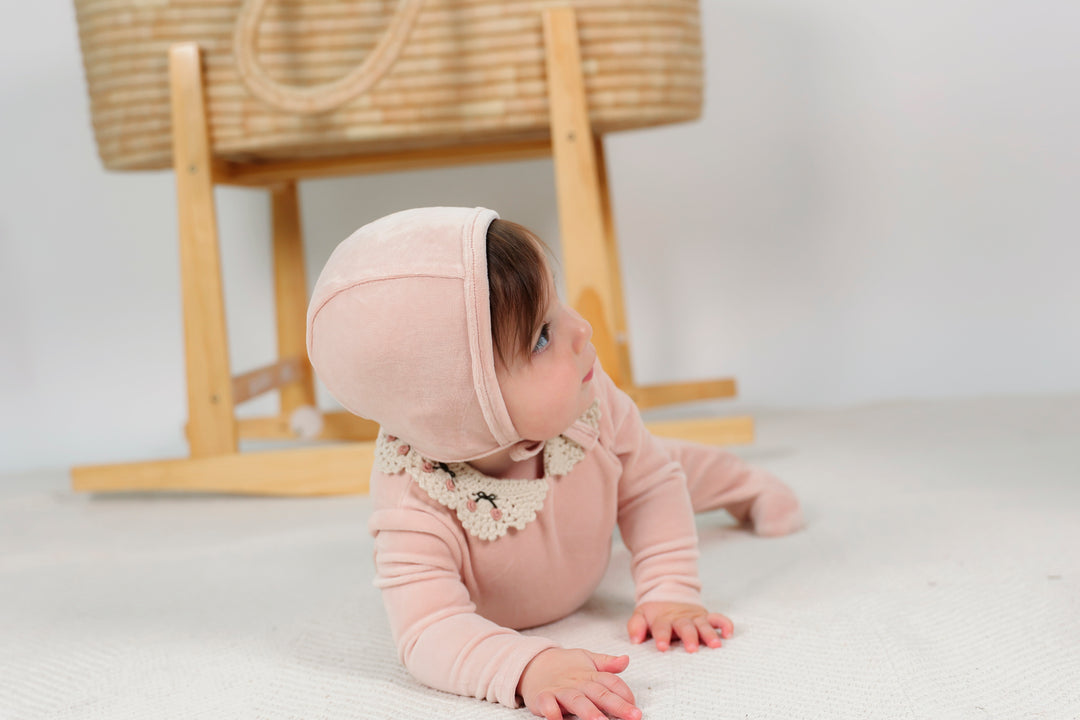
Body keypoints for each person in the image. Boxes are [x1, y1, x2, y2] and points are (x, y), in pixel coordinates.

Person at [306, 206, 803, 720]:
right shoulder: (414, 501)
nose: (582, 329)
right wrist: (529, 667)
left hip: (595, 491)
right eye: (542, 336)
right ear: (463, 407)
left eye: (557, 303)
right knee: (653, 465)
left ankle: (750, 485)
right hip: (569, 522)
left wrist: (670, 590)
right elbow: (428, 632)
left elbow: (653, 486)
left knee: (667, 466)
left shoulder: (587, 402)